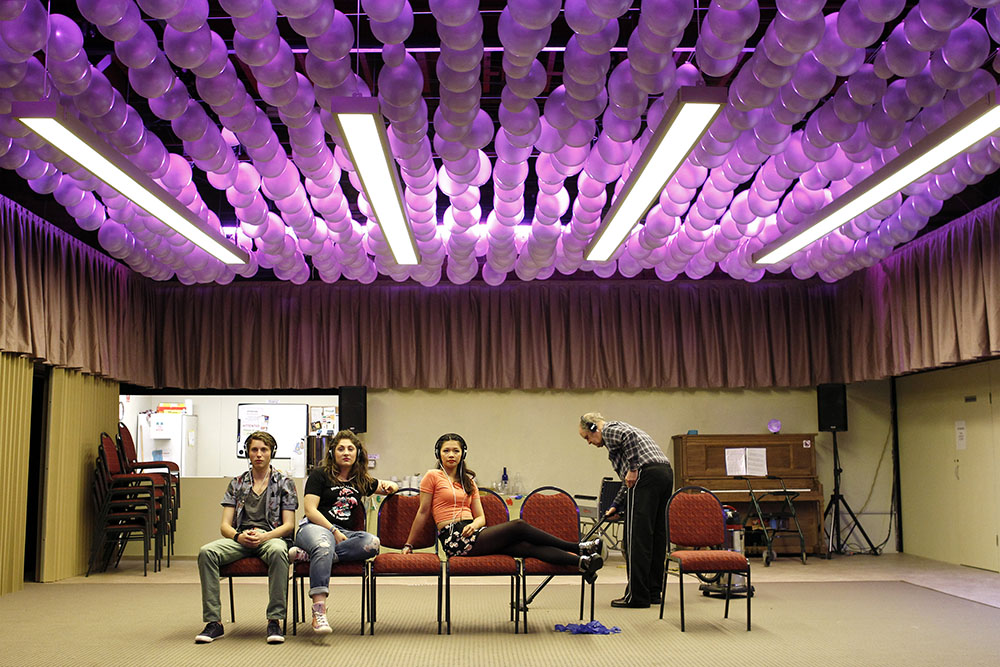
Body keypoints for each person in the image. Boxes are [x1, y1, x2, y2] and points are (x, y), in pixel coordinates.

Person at [401, 433, 603, 582]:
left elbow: (481, 517)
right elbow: (423, 512)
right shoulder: (432, 476)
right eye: (446, 450)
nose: (451, 454)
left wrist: (474, 525)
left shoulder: (469, 480)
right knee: (519, 526)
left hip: (474, 532)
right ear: (439, 454)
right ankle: (577, 547)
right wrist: (409, 544)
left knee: (527, 548)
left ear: (463, 454)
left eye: (456, 450)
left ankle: (582, 564)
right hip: (454, 539)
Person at [288, 429, 398, 634]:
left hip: (341, 535)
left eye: (350, 448)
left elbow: (387, 486)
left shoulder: (361, 480)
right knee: (323, 544)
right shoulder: (319, 475)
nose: (346, 452)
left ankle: (309, 556)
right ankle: (319, 612)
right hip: (314, 527)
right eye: (340, 449)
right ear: (332, 453)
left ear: (358, 453)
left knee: (372, 542)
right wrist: (332, 530)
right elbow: (310, 510)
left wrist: (392, 486)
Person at [195, 431, 298, 643]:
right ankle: (214, 622)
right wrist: (239, 536)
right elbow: (224, 526)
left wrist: (265, 536)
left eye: (264, 450)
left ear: (272, 453)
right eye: (254, 450)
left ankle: (274, 621)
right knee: (207, 552)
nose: (259, 454)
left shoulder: (284, 483)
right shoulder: (237, 483)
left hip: (271, 538)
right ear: (247, 454)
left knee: (280, 551)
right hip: (241, 538)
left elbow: (289, 526)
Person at [578, 413, 673, 609]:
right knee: (655, 537)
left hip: (646, 476)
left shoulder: (610, 430)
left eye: (587, 437)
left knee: (635, 539)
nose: (588, 442)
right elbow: (628, 483)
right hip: (663, 474)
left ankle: (636, 596)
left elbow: (629, 447)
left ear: (594, 428)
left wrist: (633, 468)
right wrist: (616, 504)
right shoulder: (622, 445)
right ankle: (653, 592)